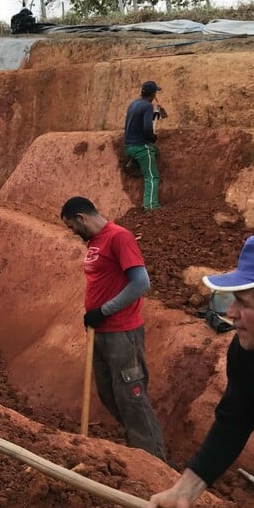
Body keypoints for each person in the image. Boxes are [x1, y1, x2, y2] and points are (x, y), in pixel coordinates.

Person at [148, 235, 254, 508]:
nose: (230, 313)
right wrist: (185, 491)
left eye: (243, 303)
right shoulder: (245, 353)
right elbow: (233, 420)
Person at [60, 196, 167, 461]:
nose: (73, 232)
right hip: (101, 333)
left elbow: (141, 283)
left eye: (72, 226)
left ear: (82, 218)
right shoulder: (96, 242)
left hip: (122, 333)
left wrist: (103, 311)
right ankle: (138, 450)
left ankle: (154, 462)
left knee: (131, 397)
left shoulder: (119, 237)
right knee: (110, 395)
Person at [124, 80, 167, 211]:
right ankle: (151, 206)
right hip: (140, 147)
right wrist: (151, 137)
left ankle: (134, 163)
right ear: (153, 94)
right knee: (152, 176)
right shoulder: (148, 106)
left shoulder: (134, 104)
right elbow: (147, 128)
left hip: (128, 146)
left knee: (155, 150)